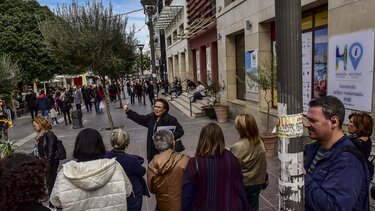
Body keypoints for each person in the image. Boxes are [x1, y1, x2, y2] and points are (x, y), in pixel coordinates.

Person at [304, 96, 371, 210]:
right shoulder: (314, 148)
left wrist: (302, 177)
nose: (306, 124)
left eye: (313, 120)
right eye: (307, 119)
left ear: (333, 122)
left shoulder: (349, 161)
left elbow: (335, 207)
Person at [50, 128, 133, 210]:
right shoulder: (115, 167)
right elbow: (128, 191)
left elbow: (55, 202)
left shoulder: (64, 173)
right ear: (101, 146)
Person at [181, 123, 250, 211]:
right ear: (221, 138)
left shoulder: (195, 163)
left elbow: (187, 195)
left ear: (202, 139)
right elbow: (240, 188)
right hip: (230, 206)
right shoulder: (232, 159)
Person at [123, 98, 184, 162]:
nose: (156, 109)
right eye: (155, 106)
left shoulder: (171, 119)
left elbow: (180, 131)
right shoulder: (151, 117)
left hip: (164, 152)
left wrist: (168, 137)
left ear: (164, 110)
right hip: (151, 151)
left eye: (159, 107)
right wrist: (128, 111)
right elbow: (139, 118)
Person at [105, 129, 149, 211]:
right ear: (127, 144)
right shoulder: (131, 160)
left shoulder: (106, 155)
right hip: (131, 196)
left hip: (113, 192)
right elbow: (142, 171)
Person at [230, 114, 267, 211]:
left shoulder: (238, 147)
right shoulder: (260, 141)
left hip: (244, 184)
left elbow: (233, 169)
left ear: (241, 129)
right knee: (254, 206)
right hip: (258, 182)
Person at [147, 130, 190, 211]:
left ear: (156, 146)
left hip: (163, 206)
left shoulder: (152, 165)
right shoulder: (185, 160)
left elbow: (152, 189)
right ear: (173, 143)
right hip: (183, 204)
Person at [31, 115, 60, 204]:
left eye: (35, 125)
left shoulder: (49, 135)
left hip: (50, 163)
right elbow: (38, 150)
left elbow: (50, 152)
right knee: (48, 183)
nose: (34, 127)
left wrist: (47, 165)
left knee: (51, 184)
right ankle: (53, 202)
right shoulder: (41, 135)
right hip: (44, 163)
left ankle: (53, 204)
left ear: (40, 124)